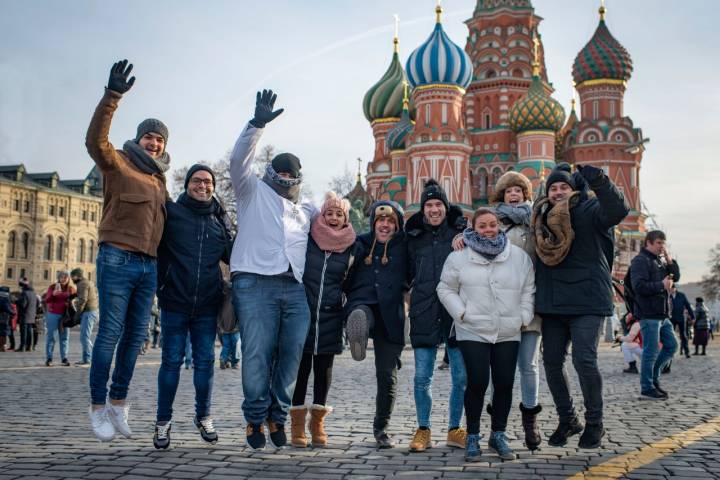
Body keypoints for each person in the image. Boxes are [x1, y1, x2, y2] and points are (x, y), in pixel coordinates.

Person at [85, 59, 170, 442]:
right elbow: (95, 142)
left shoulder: (159, 180)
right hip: (117, 256)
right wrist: (112, 97)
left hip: (147, 265)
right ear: (139, 139)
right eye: (149, 137)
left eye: (160, 139)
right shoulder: (117, 162)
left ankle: (119, 405)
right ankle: (97, 407)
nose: (154, 143)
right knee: (109, 334)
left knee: (135, 338)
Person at [228, 90, 317, 450]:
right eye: (279, 171)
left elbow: (337, 225)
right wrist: (256, 125)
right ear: (269, 172)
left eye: (290, 173)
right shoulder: (251, 190)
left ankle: (276, 416)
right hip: (254, 283)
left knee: (292, 354)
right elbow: (238, 160)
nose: (284, 177)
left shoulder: (305, 209)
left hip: (293, 287)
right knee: (257, 353)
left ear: (298, 178)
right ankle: (254, 419)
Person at [534, 163, 629, 449]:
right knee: (551, 362)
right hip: (552, 303)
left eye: (564, 187)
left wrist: (599, 180)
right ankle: (568, 419)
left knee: (584, 360)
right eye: (553, 188)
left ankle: (595, 423)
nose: (558, 192)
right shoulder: (540, 218)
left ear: (574, 190)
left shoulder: (590, 211)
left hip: (587, 300)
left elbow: (617, 210)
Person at [437, 207, 535, 461]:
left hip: (508, 329)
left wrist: (524, 316)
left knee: (504, 382)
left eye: (493, 224)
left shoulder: (518, 256)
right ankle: (472, 436)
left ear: (499, 225)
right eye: (483, 226)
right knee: (477, 382)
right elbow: (445, 288)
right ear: (473, 227)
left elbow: (528, 288)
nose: (489, 229)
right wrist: (461, 313)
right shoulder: (459, 256)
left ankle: (498, 434)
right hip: (472, 328)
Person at [153, 164, 232, 450]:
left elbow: (233, 254)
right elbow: (153, 244)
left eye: (208, 182)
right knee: (171, 362)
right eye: (197, 180)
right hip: (174, 301)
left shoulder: (219, 221)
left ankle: (204, 416)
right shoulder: (172, 213)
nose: (203, 185)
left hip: (207, 304)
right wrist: (160, 284)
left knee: (205, 363)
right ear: (187, 184)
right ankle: (163, 422)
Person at [290, 192, 357, 448]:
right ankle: (296, 424)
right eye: (329, 213)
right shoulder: (309, 239)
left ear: (345, 218)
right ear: (322, 215)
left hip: (331, 315)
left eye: (338, 214)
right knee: (301, 370)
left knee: (323, 371)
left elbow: (353, 278)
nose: (333, 217)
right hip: (303, 313)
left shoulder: (351, 245)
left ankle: (317, 423)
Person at [405, 180, 467, 452]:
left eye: (438, 204)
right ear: (423, 208)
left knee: (461, 377)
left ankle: (455, 429)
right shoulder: (413, 237)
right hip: (423, 310)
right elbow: (404, 274)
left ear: (445, 206)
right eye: (429, 205)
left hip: (455, 314)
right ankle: (423, 429)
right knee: (422, 377)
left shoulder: (461, 232)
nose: (433, 209)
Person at [345, 201, 408, 449]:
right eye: (380, 221)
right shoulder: (359, 243)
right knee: (361, 313)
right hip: (363, 302)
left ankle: (381, 427)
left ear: (397, 225)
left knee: (387, 376)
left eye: (391, 221)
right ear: (373, 223)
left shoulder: (404, 246)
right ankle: (356, 331)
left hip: (391, 314)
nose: (385, 225)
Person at [490, 171, 544, 451]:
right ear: (502, 195)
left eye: (519, 191)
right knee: (500, 367)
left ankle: (530, 421)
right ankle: (497, 427)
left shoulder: (535, 222)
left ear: (526, 195)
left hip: (530, 300)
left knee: (529, 364)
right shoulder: (493, 222)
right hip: (499, 303)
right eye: (509, 191)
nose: (514, 195)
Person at [629, 230, 680, 400]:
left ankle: (654, 379)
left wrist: (670, 260)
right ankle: (647, 388)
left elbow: (676, 277)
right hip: (648, 313)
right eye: (658, 243)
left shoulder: (660, 261)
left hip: (662, 314)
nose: (662, 246)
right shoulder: (640, 261)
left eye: (663, 243)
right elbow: (639, 287)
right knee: (650, 351)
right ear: (648, 243)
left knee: (672, 346)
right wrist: (661, 285)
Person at [44, 271, 76, 367]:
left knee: (64, 338)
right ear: (58, 278)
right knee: (51, 337)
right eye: (61, 277)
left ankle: (64, 358)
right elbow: (47, 300)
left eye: (65, 277)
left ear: (68, 278)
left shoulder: (71, 289)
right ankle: (49, 358)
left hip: (65, 316)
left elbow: (75, 300)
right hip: (53, 314)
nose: (63, 279)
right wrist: (53, 294)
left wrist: (72, 301)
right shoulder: (52, 287)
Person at [70, 269, 99, 365]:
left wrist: (77, 314)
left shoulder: (82, 284)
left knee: (84, 337)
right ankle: (88, 358)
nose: (71, 278)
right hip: (91, 311)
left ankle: (88, 358)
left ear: (78, 276)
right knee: (85, 337)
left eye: (72, 276)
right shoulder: (86, 282)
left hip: (88, 312)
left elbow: (83, 300)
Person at [670, 286, 694, 359]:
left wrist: (692, 317)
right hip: (671, 318)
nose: (671, 290)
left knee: (683, 335)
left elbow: (688, 306)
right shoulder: (667, 295)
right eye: (670, 289)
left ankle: (687, 352)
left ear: (675, 288)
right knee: (671, 335)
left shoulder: (681, 295)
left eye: (672, 288)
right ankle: (671, 352)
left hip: (681, 318)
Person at [15, 278, 37, 352]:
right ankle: (29, 346)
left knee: (23, 332)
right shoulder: (34, 293)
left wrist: (17, 301)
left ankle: (22, 346)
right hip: (31, 315)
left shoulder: (24, 293)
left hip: (24, 315)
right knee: (29, 331)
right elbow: (37, 303)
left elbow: (23, 304)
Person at [0, 286, 13, 351]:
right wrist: (13, 312)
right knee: (3, 333)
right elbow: (7, 308)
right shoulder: (4, 299)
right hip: (4, 318)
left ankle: (2, 346)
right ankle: (2, 346)